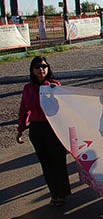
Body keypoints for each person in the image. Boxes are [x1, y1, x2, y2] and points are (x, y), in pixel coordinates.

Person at [17, 56, 70, 206]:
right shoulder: (28, 88)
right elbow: (23, 109)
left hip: (53, 128)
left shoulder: (54, 85)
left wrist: (56, 93)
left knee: (58, 161)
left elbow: (64, 109)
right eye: (37, 67)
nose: (41, 69)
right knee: (46, 163)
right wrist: (20, 129)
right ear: (32, 70)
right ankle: (54, 193)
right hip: (36, 129)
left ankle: (62, 194)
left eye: (44, 66)